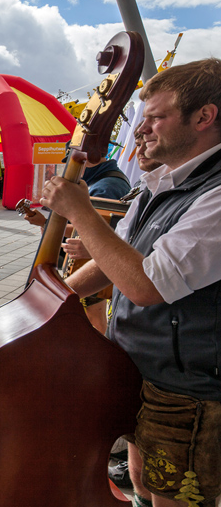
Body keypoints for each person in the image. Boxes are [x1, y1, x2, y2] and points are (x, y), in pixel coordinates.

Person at [42, 58, 221, 507]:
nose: (141, 130)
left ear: (204, 116)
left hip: (187, 389)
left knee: (175, 498)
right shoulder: (159, 183)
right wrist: (54, 300)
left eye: (156, 117)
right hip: (138, 367)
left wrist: (80, 210)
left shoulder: (216, 194)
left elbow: (146, 286)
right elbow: (115, 260)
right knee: (142, 479)